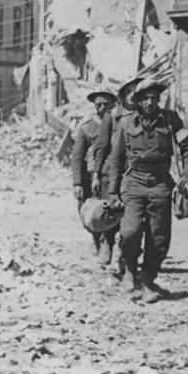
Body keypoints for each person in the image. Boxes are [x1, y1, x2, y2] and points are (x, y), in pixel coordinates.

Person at [104, 78, 188, 303]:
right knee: (129, 232)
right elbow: (116, 160)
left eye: (155, 97)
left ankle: (147, 279)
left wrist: (186, 176)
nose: (151, 102)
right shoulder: (126, 124)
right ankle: (130, 271)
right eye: (145, 98)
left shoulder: (171, 119)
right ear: (137, 101)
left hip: (160, 184)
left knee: (159, 237)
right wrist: (113, 192)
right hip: (134, 182)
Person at [71, 88, 119, 267]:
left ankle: (109, 244)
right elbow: (77, 156)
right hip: (88, 176)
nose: (102, 108)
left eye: (106, 104)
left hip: (109, 176)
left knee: (109, 212)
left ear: (113, 105)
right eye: (98, 104)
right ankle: (99, 242)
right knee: (89, 216)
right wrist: (77, 182)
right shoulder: (86, 128)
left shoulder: (117, 125)